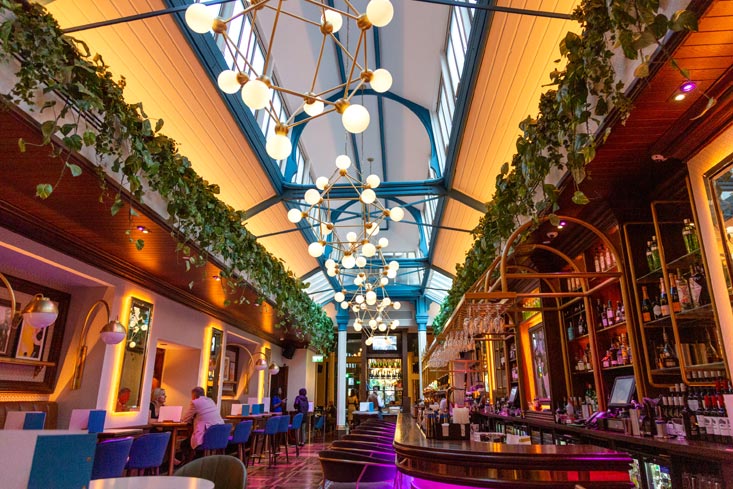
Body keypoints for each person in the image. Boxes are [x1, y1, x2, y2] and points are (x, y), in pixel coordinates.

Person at [181, 386, 224, 455]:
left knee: (184, 444)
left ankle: (191, 464)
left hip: (206, 437)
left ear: (194, 395)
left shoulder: (195, 402)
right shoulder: (210, 401)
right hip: (219, 436)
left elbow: (185, 418)